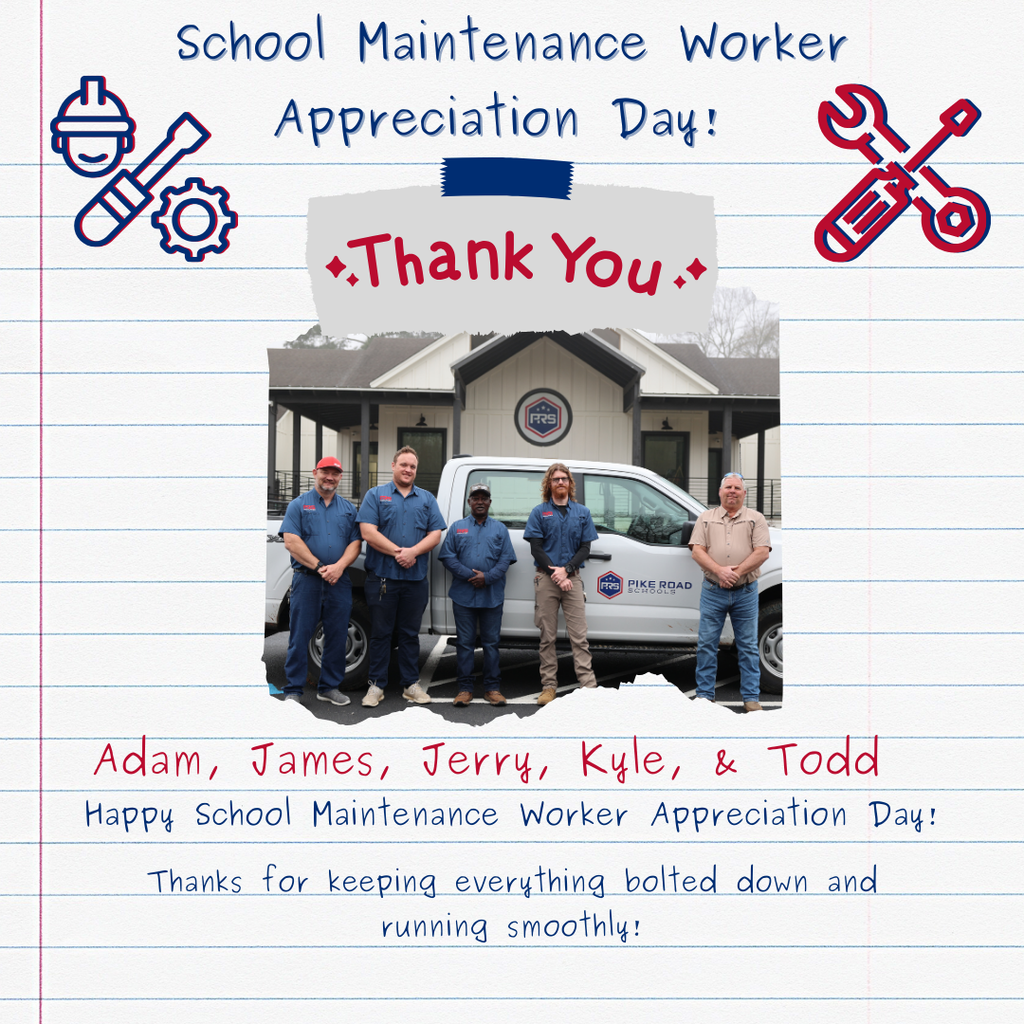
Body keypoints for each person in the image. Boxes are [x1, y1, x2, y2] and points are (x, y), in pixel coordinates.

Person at [357, 446, 446, 707]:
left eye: (413, 466)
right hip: (383, 579)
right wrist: (400, 553)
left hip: (415, 580)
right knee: (381, 634)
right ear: (393, 465)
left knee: (409, 634)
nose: (408, 470)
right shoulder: (376, 495)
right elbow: (367, 532)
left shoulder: (427, 499)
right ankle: (376, 686)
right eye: (404, 464)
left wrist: (414, 552)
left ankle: (411, 685)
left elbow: (435, 534)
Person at [279, 456, 363, 706]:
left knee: (337, 636)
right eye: (325, 472)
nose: (330, 477)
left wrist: (338, 567)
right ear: (315, 472)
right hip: (308, 581)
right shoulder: (298, 505)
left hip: (339, 580)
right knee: (300, 635)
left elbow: (355, 543)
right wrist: (319, 567)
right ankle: (293, 688)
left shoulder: (349, 509)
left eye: (335, 473)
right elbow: (291, 542)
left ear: (341, 477)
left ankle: (329, 687)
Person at [688, 472, 772, 712]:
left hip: (745, 591)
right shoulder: (706, 518)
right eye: (728, 487)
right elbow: (697, 551)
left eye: (737, 487)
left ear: (744, 493)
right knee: (706, 644)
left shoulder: (756, 519)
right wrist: (719, 571)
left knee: (747, 646)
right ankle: (704, 696)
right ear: (720, 492)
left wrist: (734, 573)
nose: (732, 491)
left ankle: (751, 699)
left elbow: (762, 552)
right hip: (713, 591)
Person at [523, 463, 599, 705]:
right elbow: (536, 548)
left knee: (580, 636)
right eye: (555, 479)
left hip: (572, 579)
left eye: (564, 479)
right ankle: (548, 686)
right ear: (549, 484)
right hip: (546, 579)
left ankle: (588, 686)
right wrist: (555, 573)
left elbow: (585, 548)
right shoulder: (539, 512)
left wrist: (565, 571)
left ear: (570, 483)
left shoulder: (582, 513)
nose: (560, 483)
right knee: (547, 637)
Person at [438, 483, 517, 707]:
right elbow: (447, 556)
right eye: (475, 498)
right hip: (463, 595)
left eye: (484, 498)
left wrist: (488, 578)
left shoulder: (500, 529)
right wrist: (468, 575)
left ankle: (492, 688)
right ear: (469, 502)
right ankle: (464, 689)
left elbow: (505, 559)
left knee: (491, 644)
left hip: (491, 596)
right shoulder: (457, 527)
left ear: (489, 502)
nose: (480, 501)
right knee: (464, 644)